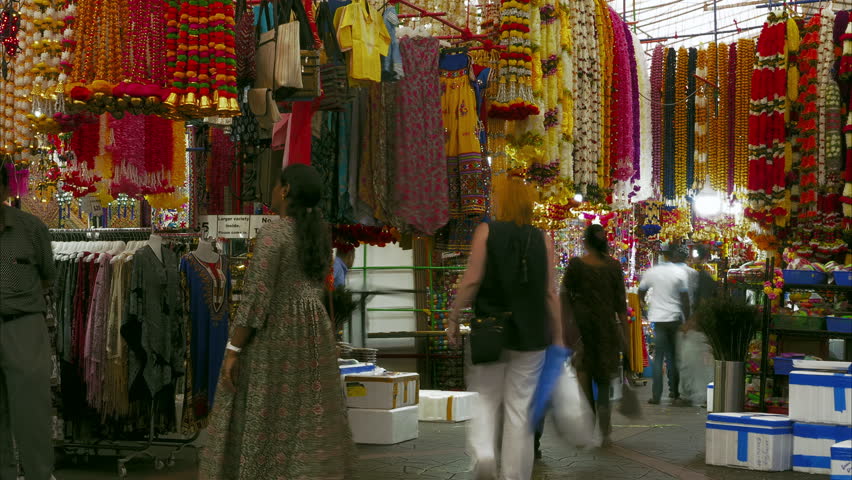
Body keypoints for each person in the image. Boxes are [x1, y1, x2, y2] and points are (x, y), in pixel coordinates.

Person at [199, 164, 355, 480]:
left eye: (275, 186)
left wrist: (233, 349)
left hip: (278, 331)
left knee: (266, 408)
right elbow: (324, 285)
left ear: (285, 190)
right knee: (304, 412)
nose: (271, 192)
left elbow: (257, 297)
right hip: (314, 331)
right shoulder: (320, 233)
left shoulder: (273, 233)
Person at [446, 177, 564, 480]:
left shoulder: (486, 231)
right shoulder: (544, 239)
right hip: (532, 334)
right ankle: (515, 476)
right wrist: (559, 333)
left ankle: (484, 455)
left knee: (485, 398)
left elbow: (471, 279)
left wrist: (453, 317)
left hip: (491, 330)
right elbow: (550, 291)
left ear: (501, 202)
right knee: (519, 410)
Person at [0, 162, 57, 480]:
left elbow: (48, 277)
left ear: (5, 189)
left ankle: (38, 474)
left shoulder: (31, 229)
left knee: (32, 415)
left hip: (23, 326)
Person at [559, 224, 630, 448]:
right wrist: (626, 337)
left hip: (582, 330)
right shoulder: (614, 267)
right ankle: (605, 429)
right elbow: (621, 304)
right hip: (607, 330)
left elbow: (563, 296)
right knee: (604, 381)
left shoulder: (576, 265)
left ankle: (589, 427)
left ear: (586, 241)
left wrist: (566, 328)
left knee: (584, 376)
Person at [638, 244, 691, 406]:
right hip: (674, 319)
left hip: (658, 319)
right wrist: (686, 320)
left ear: (662, 254)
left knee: (659, 357)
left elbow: (641, 292)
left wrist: (644, 307)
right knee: (673, 357)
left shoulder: (652, 272)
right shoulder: (679, 272)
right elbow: (685, 299)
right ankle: (674, 394)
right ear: (673, 255)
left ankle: (656, 396)